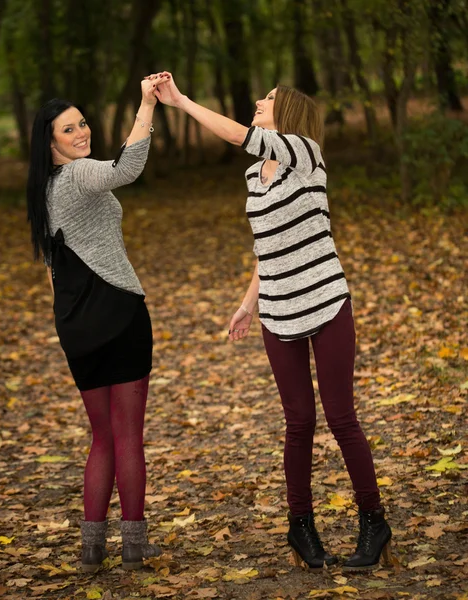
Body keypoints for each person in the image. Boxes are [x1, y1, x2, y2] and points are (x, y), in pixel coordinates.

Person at [153, 72, 392, 572]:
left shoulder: (305, 154)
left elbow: (239, 135)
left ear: (290, 115)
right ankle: (300, 526)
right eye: (260, 95)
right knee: (298, 421)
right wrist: (248, 302)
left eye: (269, 99)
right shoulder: (252, 175)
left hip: (326, 302)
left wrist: (181, 101)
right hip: (278, 308)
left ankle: (374, 520)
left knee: (341, 418)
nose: (259, 101)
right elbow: (268, 246)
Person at [26, 74, 169, 572]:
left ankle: (91, 549)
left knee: (101, 436)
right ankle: (133, 543)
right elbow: (127, 167)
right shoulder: (79, 175)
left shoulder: (42, 193)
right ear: (51, 142)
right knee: (128, 436)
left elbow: (52, 271)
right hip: (120, 313)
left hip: (78, 329)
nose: (82, 132)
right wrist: (147, 104)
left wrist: (68, 324)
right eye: (70, 129)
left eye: (83, 123)